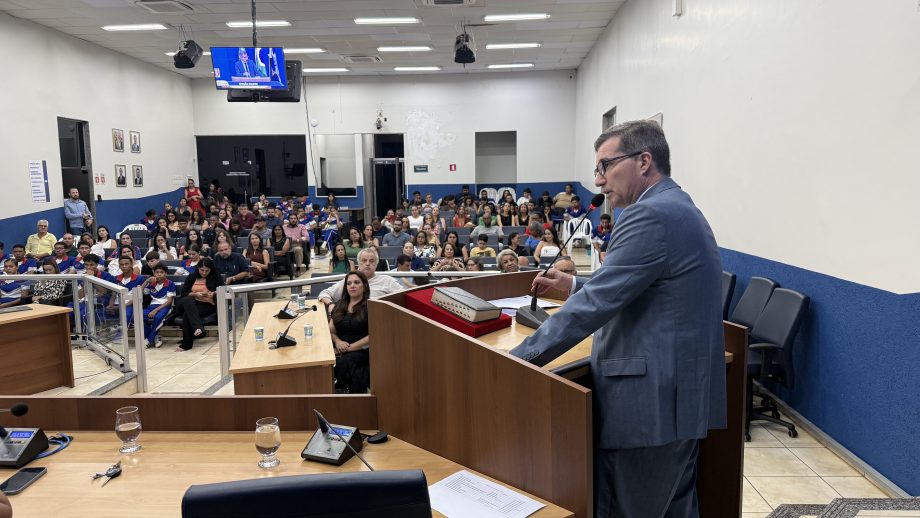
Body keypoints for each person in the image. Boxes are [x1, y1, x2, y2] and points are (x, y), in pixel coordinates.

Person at [509, 120, 726, 518]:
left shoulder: (650, 216)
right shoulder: (678, 206)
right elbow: (646, 289)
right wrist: (573, 287)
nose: (599, 180)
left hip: (649, 410)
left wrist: (511, 363)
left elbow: (595, 308)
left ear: (644, 161)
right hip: (677, 403)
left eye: (606, 166)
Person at [318, 248, 403, 311]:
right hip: (354, 322)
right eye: (364, 260)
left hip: (378, 320)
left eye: (371, 261)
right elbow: (324, 294)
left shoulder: (387, 281)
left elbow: (404, 295)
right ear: (358, 263)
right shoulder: (350, 281)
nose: (367, 264)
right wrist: (330, 304)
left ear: (376, 264)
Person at [329, 271, 371, 393]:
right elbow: (331, 331)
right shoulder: (339, 305)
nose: (352, 285)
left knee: (345, 362)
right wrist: (337, 342)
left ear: (365, 286)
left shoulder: (371, 306)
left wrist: (349, 348)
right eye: (349, 283)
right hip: (340, 348)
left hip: (362, 349)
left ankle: (346, 394)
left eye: (357, 282)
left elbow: (373, 335)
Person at [174, 257, 222, 351]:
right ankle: (198, 328)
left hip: (206, 304)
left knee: (187, 314)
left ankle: (187, 344)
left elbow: (223, 289)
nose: (204, 273)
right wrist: (195, 294)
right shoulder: (192, 276)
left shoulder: (215, 276)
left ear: (211, 270)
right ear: (198, 268)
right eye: (202, 270)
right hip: (188, 302)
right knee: (188, 300)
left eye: (206, 271)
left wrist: (214, 293)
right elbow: (184, 293)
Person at [141, 263, 175, 348]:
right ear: (153, 273)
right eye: (157, 272)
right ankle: (155, 337)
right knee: (139, 317)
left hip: (165, 306)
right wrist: (147, 281)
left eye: (162, 272)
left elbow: (169, 301)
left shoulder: (170, 284)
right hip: (152, 306)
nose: (159, 274)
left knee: (158, 318)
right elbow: (140, 292)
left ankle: (149, 339)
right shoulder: (151, 284)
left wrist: (155, 310)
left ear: (166, 273)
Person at [105, 256, 146, 320]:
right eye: (122, 264)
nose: (124, 266)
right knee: (101, 314)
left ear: (131, 265)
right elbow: (113, 295)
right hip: (116, 304)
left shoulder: (139, 278)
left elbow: (137, 297)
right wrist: (110, 305)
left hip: (129, 305)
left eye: (126, 264)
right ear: (119, 266)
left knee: (126, 315)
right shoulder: (115, 278)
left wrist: (119, 307)